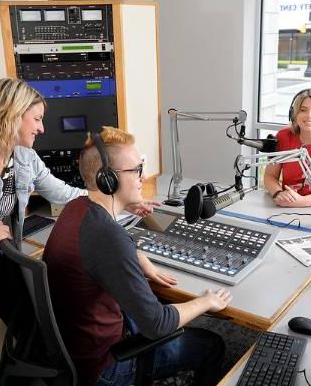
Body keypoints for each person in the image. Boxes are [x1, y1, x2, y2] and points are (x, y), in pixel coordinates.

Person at [0, 78, 154, 386]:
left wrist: (119, 198)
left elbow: (64, 193)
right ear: (11, 115)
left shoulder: (25, 158)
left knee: (40, 338)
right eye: (37, 119)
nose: (41, 128)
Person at [43, 126, 232, 386]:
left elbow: (108, 242)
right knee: (213, 344)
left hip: (73, 350)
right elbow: (157, 324)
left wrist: (136, 255)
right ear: (107, 179)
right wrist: (205, 302)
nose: (143, 177)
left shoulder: (76, 208)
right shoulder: (107, 236)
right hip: (105, 368)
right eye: (137, 170)